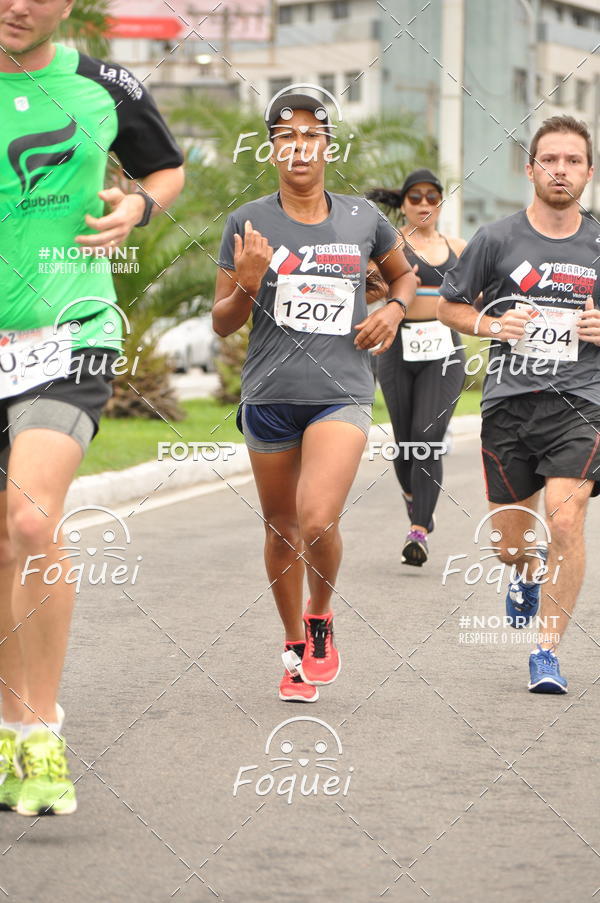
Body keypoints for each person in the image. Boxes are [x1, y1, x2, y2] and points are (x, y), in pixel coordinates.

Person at [0, 0, 184, 814]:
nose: (17, 4)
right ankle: (8, 720)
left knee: (33, 520)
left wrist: (138, 206)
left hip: (71, 330)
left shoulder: (104, 83)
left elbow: (165, 169)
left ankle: (39, 730)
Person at [213, 92, 416, 702]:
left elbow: (404, 274)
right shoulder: (246, 222)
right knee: (279, 527)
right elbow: (222, 324)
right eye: (285, 136)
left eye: (310, 134)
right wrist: (247, 287)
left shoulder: (362, 219)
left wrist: (395, 310)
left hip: (341, 392)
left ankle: (320, 617)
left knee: (316, 517)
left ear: (328, 145)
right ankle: (294, 645)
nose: (298, 147)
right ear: (271, 148)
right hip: (270, 394)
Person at [438, 114, 600, 694]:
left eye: (573, 161)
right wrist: (491, 322)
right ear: (530, 168)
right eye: (549, 160)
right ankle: (524, 573)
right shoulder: (497, 239)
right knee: (511, 544)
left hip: (581, 401)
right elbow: (448, 307)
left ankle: (546, 651)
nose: (561, 170)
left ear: (588, 170)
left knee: (566, 518)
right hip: (509, 404)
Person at [366, 170, 466, 566]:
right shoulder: (390, 244)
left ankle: (419, 531)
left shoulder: (459, 247)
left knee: (427, 435)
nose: (424, 205)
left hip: (443, 353)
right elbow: (369, 288)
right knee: (406, 442)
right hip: (396, 348)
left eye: (432, 197)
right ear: (404, 203)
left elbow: (480, 294)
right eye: (416, 198)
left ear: (440, 203)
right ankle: (415, 500)